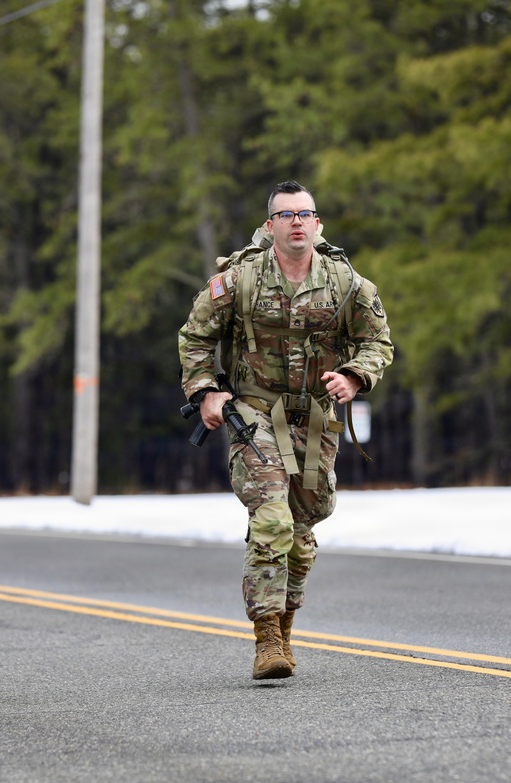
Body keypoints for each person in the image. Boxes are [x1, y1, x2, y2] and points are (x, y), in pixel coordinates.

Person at [178, 180, 393, 680]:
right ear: (271, 225)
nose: (296, 222)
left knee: (303, 526)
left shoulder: (347, 284)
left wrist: (356, 374)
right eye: (286, 215)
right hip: (255, 413)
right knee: (272, 517)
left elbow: (377, 341)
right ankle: (266, 637)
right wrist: (206, 392)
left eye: (305, 214)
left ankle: (286, 620)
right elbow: (194, 337)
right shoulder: (241, 280)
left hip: (317, 418)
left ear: (318, 225)